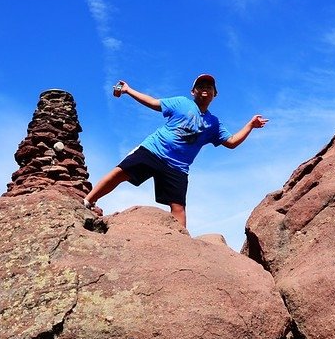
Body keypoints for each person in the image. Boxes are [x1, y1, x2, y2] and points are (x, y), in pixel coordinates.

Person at [83, 74, 269, 228]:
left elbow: (231, 142)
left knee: (178, 207)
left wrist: (250, 125)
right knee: (120, 173)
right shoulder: (181, 103)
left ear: (215, 94)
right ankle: (88, 202)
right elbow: (153, 103)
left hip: (177, 167)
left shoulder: (214, 123)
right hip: (153, 150)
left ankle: (181, 241)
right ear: (193, 91)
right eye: (200, 85)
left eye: (209, 86)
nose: (205, 88)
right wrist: (128, 90)